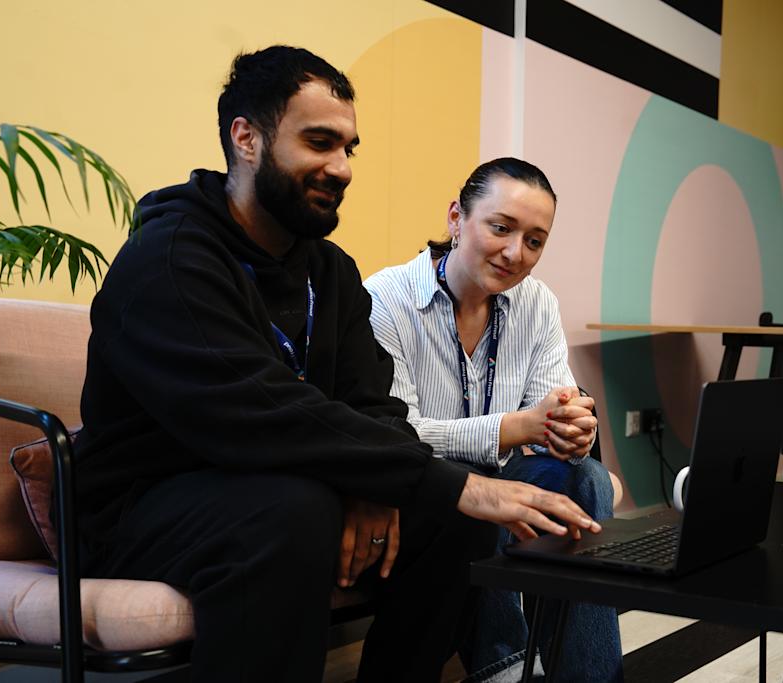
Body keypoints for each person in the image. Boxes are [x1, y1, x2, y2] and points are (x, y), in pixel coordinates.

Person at [73, 47, 601, 683]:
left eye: (349, 147)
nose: (342, 167)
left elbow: (373, 404)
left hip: (282, 484)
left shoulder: (330, 269)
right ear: (246, 138)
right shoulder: (168, 261)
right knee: (297, 509)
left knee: (452, 525)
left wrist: (382, 482)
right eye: (319, 142)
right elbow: (259, 415)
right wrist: (456, 482)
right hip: (142, 508)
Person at [364, 158, 623, 682]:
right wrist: (516, 427)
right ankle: (505, 667)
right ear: (457, 218)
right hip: (422, 489)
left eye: (534, 240)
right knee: (479, 505)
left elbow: (553, 409)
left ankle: (585, 676)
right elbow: (397, 432)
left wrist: (573, 428)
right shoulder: (385, 300)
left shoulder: (537, 303)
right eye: (500, 228)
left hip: (504, 476)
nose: (514, 253)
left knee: (587, 475)